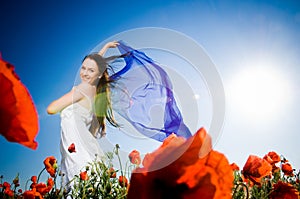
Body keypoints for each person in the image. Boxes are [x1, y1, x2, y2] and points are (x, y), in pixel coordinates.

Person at [47, 41, 120, 185]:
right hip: (82, 145)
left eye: (90, 71)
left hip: (76, 150)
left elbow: (51, 108)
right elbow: (95, 66)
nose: (84, 73)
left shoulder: (82, 89)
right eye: (83, 68)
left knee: (77, 185)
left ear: (99, 74)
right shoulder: (96, 96)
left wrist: (68, 98)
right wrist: (104, 48)